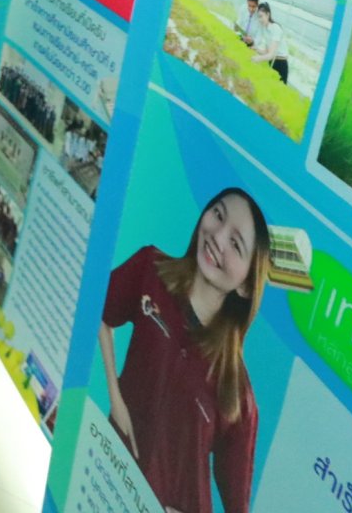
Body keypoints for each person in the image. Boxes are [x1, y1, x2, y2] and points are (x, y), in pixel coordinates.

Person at [99, 188, 270, 513]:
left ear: (247, 285)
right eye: (217, 215)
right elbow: (99, 311)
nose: (218, 238)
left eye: (236, 244)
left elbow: (237, 507)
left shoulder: (236, 390)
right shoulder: (151, 269)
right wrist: (116, 399)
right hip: (108, 483)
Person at [248, 2, 288, 83]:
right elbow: (267, 52)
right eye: (258, 17)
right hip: (271, 61)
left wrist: (258, 58)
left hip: (281, 63)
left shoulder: (275, 28)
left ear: (268, 14)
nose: (260, 19)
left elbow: (271, 54)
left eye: (261, 16)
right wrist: (256, 49)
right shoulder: (264, 29)